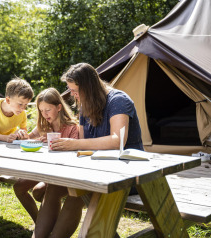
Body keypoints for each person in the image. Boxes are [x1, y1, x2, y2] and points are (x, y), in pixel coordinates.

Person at [32, 63, 143, 238]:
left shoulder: (118, 101)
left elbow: (117, 141)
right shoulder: (84, 106)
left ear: (88, 87)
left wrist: (73, 144)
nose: (72, 95)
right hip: (97, 171)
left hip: (127, 176)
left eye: (75, 90)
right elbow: (84, 143)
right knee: (53, 187)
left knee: (77, 191)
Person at [13, 88, 79, 223]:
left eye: (47, 110)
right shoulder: (43, 125)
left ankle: (47, 224)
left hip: (65, 172)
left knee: (39, 191)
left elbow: (76, 154)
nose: (44, 114)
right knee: (19, 187)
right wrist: (22, 136)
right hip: (45, 170)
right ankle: (40, 223)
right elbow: (27, 140)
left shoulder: (72, 127)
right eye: (41, 111)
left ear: (59, 107)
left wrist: (60, 145)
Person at [0, 77, 34, 229]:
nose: (23, 108)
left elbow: (25, 133)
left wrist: (22, 134)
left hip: (11, 147)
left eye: (26, 105)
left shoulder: (22, 114)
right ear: (7, 99)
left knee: (25, 178)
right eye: (20, 104)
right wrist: (7, 138)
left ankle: (39, 220)